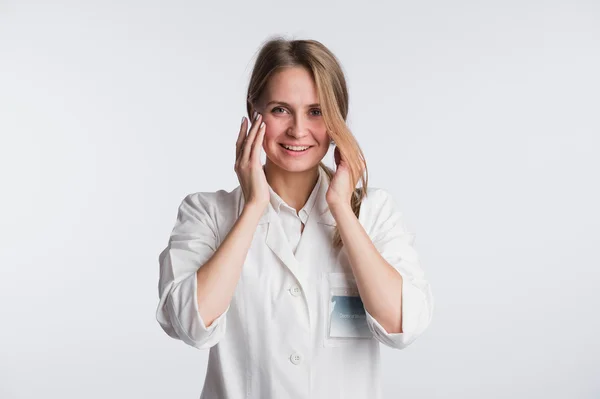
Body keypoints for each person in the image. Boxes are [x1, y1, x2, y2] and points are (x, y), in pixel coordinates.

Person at [156, 37, 434, 399]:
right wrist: (254, 207)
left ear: (337, 119)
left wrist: (341, 211)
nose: (298, 130)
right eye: (280, 110)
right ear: (253, 110)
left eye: (316, 112)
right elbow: (191, 325)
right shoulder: (207, 214)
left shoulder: (373, 213)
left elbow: (402, 325)